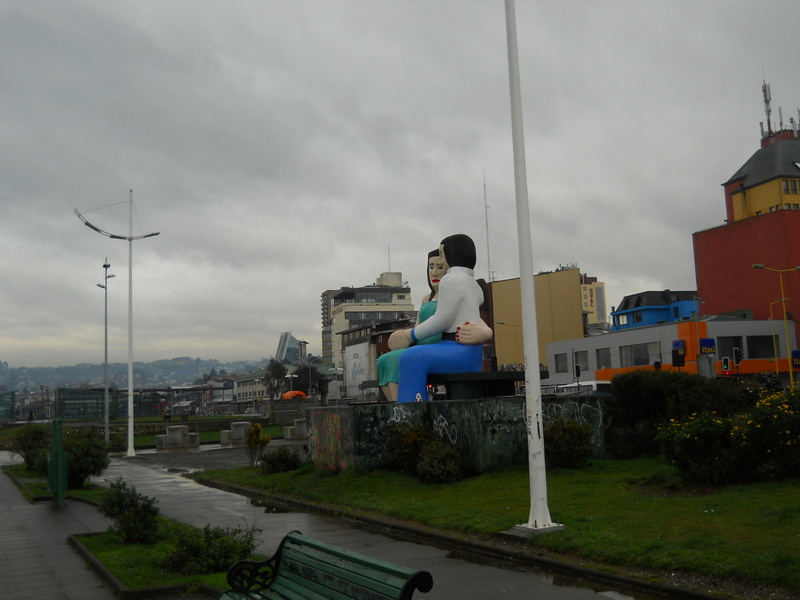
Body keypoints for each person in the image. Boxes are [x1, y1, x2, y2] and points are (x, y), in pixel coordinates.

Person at [389, 234, 488, 403]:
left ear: (452, 254)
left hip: (458, 350)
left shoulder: (451, 280)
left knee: (410, 358)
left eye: (442, 254)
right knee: (412, 356)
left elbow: (442, 320)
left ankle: (412, 414)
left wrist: (410, 335)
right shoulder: (473, 283)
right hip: (473, 353)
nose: (441, 261)